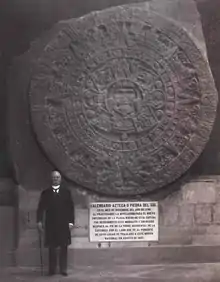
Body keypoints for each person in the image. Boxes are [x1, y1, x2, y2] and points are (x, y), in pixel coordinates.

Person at [36, 171, 75, 276]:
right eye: (54, 177)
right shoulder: (46, 193)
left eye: (57, 177)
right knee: (52, 248)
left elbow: (70, 208)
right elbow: (40, 208)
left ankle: (63, 269)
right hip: (51, 224)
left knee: (63, 247)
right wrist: (39, 221)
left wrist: (71, 222)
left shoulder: (66, 192)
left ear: (60, 179)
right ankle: (52, 270)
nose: (56, 179)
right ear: (51, 179)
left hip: (63, 224)